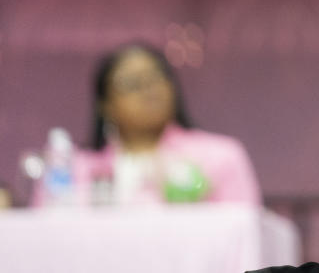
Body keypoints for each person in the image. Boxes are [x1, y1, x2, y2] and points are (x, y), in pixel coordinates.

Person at [36, 43, 261, 206]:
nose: (149, 89)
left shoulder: (221, 155)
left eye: (157, 77)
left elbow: (242, 238)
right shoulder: (72, 168)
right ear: (105, 104)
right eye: (132, 83)